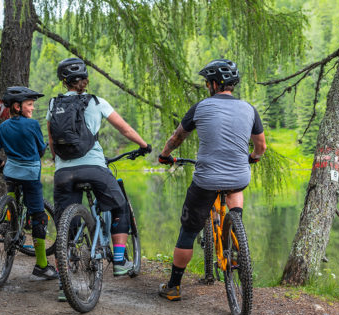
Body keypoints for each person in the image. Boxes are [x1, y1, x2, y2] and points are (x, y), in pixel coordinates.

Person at [157, 59, 267, 301]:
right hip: (239, 177)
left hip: (206, 179)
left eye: (208, 82)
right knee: (235, 187)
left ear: (215, 84)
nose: (207, 86)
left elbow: (177, 138)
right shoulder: (249, 109)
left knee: (188, 231)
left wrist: (165, 156)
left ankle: (174, 286)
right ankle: (236, 229)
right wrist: (253, 158)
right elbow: (261, 147)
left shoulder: (201, 107)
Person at [47, 58, 151, 291]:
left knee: (66, 224)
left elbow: (52, 141)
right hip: (93, 167)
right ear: (85, 80)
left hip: (63, 172)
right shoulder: (97, 102)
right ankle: (118, 261)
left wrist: (59, 162)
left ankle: (65, 285)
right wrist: (144, 145)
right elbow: (125, 129)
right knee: (119, 205)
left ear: (64, 83)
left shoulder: (54, 105)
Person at [0, 86, 58, 280]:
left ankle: (10, 219)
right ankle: (41, 265)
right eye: (30, 105)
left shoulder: (3, 127)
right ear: (17, 106)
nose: (33, 109)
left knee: (12, 192)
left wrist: (2, 163)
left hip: (10, 174)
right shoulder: (32, 125)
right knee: (39, 217)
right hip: (30, 177)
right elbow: (41, 151)